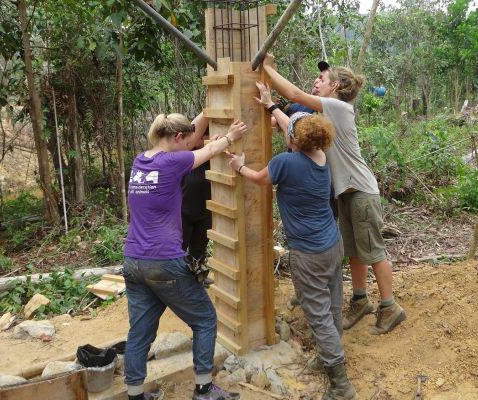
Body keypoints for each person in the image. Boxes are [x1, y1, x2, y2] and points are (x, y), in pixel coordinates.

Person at [259, 54, 406, 336]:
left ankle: (389, 307)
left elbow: (292, 93)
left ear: (335, 86)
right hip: (347, 193)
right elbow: (294, 125)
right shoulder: (325, 113)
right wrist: (271, 107)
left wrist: (266, 68)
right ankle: (361, 300)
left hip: (361, 191)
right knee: (354, 251)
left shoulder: (338, 107)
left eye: (323, 80)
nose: (318, 82)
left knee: (373, 251)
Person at [227, 111, 358, 400]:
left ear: (292, 139)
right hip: (332, 245)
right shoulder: (321, 157)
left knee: (319, 316)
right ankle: (327, 360)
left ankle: (341, 385)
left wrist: (238, 166)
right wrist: (271, 106)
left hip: (308, 253)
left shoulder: (284, 162)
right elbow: (297, 133)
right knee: (333, 305)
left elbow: (260, 178)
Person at [123, 112, 247, 400]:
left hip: (133, 260)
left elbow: (199, 151)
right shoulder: (173, 161)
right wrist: (231, 136)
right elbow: (209, 150)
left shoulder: (141, 161)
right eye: (186, 140)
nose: (189, 145)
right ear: (177, 138)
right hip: (164, 262)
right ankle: (203, 389)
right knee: (205, 319)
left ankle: (135, 394)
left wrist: (208, 143)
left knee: (139, 331)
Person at [181, 130, 213, 287]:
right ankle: (179, 280)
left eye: (204, 136)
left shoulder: (211, 155)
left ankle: (198, 276)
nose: (202, 139)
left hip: (205, 211)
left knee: (199, 247)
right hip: (183, 213)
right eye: (201, 136)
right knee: (179, 247)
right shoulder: (187, 155)